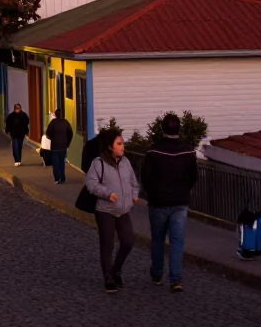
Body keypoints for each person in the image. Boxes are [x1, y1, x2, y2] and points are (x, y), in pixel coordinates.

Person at [141, 113, 198, 293]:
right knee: (177, 241)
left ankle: (157, 273)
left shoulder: (153, 151)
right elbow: (193, 177)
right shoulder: (188, 152)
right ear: (179, 129)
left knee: (158, 239)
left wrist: (152, 193)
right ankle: (176, 279)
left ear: (163, 129)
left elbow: (146, 177)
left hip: (158, 202)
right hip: (180, 202)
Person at [85, 129, 139, 292]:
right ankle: (108, 278)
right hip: (105, 210)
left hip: (123, 210)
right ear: (110, 146)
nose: (123, 147)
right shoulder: (98, 163)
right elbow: (91, 184)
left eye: (123, 143)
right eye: (119, 144)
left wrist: (134, 195)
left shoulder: (126, 162)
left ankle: (116, 269)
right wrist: (108, 194)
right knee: (107, 245)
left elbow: (133, 182)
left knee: (128, 241)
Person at [45, 109, 73, 184]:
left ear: (56, 115)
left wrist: (51, 138)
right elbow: (70, 133)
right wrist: (67, 143)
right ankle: (62, 178)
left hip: (54, 146)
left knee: (55, 163)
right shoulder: (66, 122)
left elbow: (48, 133)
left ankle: (57, 178)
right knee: (62, 162)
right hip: (63, 145)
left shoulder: (53, 123)